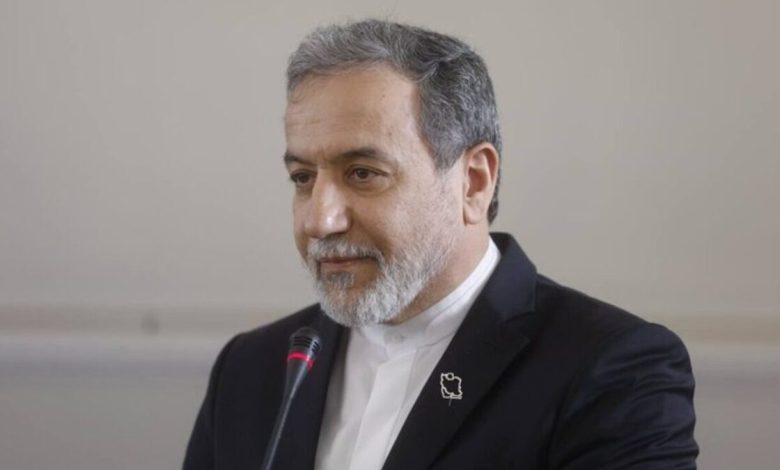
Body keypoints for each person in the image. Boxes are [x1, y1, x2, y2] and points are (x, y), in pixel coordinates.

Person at [183, 19, 698, 470]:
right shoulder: (252, 368)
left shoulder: (612, 368)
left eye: (363, 173)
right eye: (303, 178)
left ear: (473, 182)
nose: (320, 219)